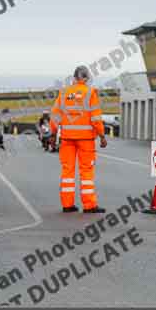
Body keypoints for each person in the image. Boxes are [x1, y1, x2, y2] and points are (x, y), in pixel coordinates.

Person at [51, 66, 108, 214]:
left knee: (67, 171)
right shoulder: (90, 93)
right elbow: (96, 118)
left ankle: (67, 204)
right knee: (86, 171)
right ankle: (89, 205)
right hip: (86, 140)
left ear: (74, 77)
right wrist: (101, 136)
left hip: (67, 139)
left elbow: (55, 115)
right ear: (87, 78)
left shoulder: (63, 93)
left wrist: (53, 133)